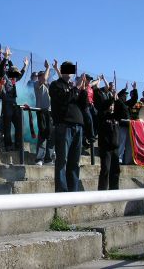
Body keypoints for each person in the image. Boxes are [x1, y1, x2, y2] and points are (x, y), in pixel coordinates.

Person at [49, 61, 87, 192]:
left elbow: (83, 105)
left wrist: (83, 91)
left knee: (75, 162)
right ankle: (62, 192)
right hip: (64, 126)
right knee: (62, 161)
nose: (70, 72)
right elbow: (64, 100)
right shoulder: (56, 85)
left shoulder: (73, 88)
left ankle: (73, 191)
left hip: (78, 126)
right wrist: (75, 88)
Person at [1, 57, 28, 151]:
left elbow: (20, 75)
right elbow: (1, 70)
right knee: (7, 126)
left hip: (14, 104)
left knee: (19, 124)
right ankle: (8, 145)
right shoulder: (5, 77)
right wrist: (5, 58)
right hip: (6, 104)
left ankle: (17, 144)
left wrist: (25, 66)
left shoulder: (14, 79)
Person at [34, 59, 57, 165]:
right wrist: (47, 68)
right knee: (43, 135)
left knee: (51, 136)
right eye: (41, 76)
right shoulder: (37, 85)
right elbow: (44, 79)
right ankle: (39, 159)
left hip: (51, 113)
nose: (44, 77)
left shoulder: (49, 87)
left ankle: (48, 158)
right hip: (42, 112)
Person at [97, 93, 120, 190]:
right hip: (105, 148)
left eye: (113, 105)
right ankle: (102, 190)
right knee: (105, 169)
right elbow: (103, 105)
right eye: (110, 105)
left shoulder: (116, 116)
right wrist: (112, 98)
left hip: (115, 148)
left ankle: (114, 190)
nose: (112, 107)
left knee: (116, 171)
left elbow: (125, 112)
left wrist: (117, 100)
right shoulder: (102, 116)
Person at [114, 82, 138, 164]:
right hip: (121, 126)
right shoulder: (118, 103)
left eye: (126, 95)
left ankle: (127, 160)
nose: (125, 96)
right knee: (121, 142)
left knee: (129, 144)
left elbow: (134, 99)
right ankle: (118, 160)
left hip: (129, 126)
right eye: (124, 95)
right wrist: (125, 88)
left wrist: (134, 89)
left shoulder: (127, 104)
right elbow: (117, 96)